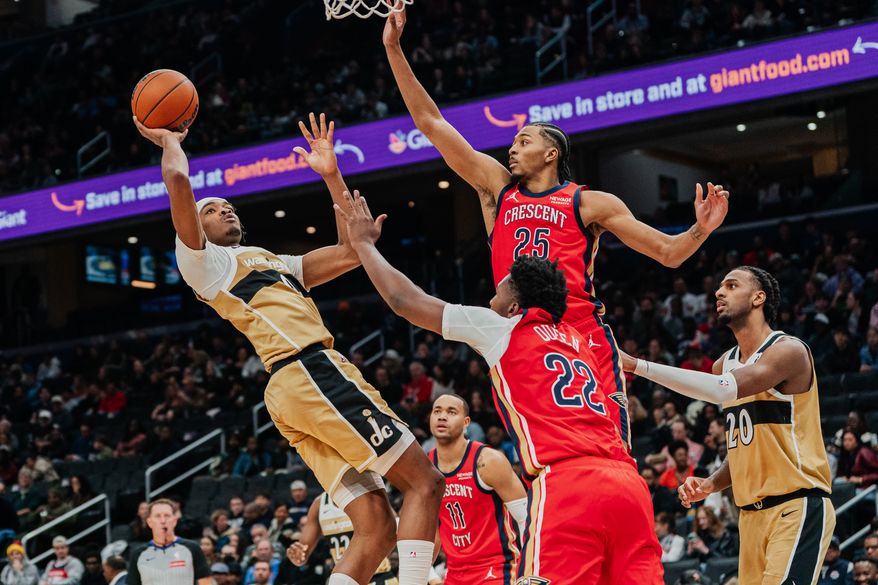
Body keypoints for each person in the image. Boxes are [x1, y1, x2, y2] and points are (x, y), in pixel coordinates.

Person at [382, 6, 730, 451]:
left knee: (611, 452)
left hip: (582, 333)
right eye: (512, 142)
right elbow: (432, 123)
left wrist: (699, 229)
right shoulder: (498, 190)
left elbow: (668, 252)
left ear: (551, 154)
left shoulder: (589, 202)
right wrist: (393, 49)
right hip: (521, 333)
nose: (512, 149)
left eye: (523, 141)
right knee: (546, 454)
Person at [133, 113, 443, 585]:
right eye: (213, 209)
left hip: (296, 390)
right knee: (425, 481)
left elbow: (349, 249)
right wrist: (169, 140)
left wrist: (331, 175)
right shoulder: (205, 264)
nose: (227, 210)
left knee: (377, 527)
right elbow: (177, 178)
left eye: (229, 206)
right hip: (310, 371)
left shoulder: (273, 261)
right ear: (195, 227)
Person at [335, 191, 663, 584]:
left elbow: (404, 300)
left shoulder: (504, 327)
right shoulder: (578, 341)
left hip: (570, 484)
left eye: (504, 282)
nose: (497, 283)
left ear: (515, 303)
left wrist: (365, 245)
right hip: (628, 483)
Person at [622, 266, 835, 585]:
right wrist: (711, 483)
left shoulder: (788, 351)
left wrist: (637, 365)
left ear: (758, 298)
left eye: (732, 286)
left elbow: (721, 388)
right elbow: (743, 445)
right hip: (749, 516)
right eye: (719, 286)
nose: (719, 292)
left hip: (796, 505)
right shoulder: (725, 362)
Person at [428, 394, 527, 584]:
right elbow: (429, 534)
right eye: (437, 411)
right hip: (455, 573)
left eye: (451, 412)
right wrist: (430, 577)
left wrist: (530, 569)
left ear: (466, 423)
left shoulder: (488, 460)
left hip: (498, 570)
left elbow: (526, 518)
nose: (442, 416)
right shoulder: (426, 468)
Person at [285, 491, 397, 585]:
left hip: (379, 577)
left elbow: (395, 527)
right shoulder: (320, 504)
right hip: (346, 579)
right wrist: (298, 557)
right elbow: (303, 552)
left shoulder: (366, 493)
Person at [127, 499, 211, 585]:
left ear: (174, 521)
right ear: (149, 522)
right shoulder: (138, 554)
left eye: (167, 515)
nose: (163, 521)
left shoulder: (192, 548)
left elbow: (206, 582)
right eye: (158, 516)